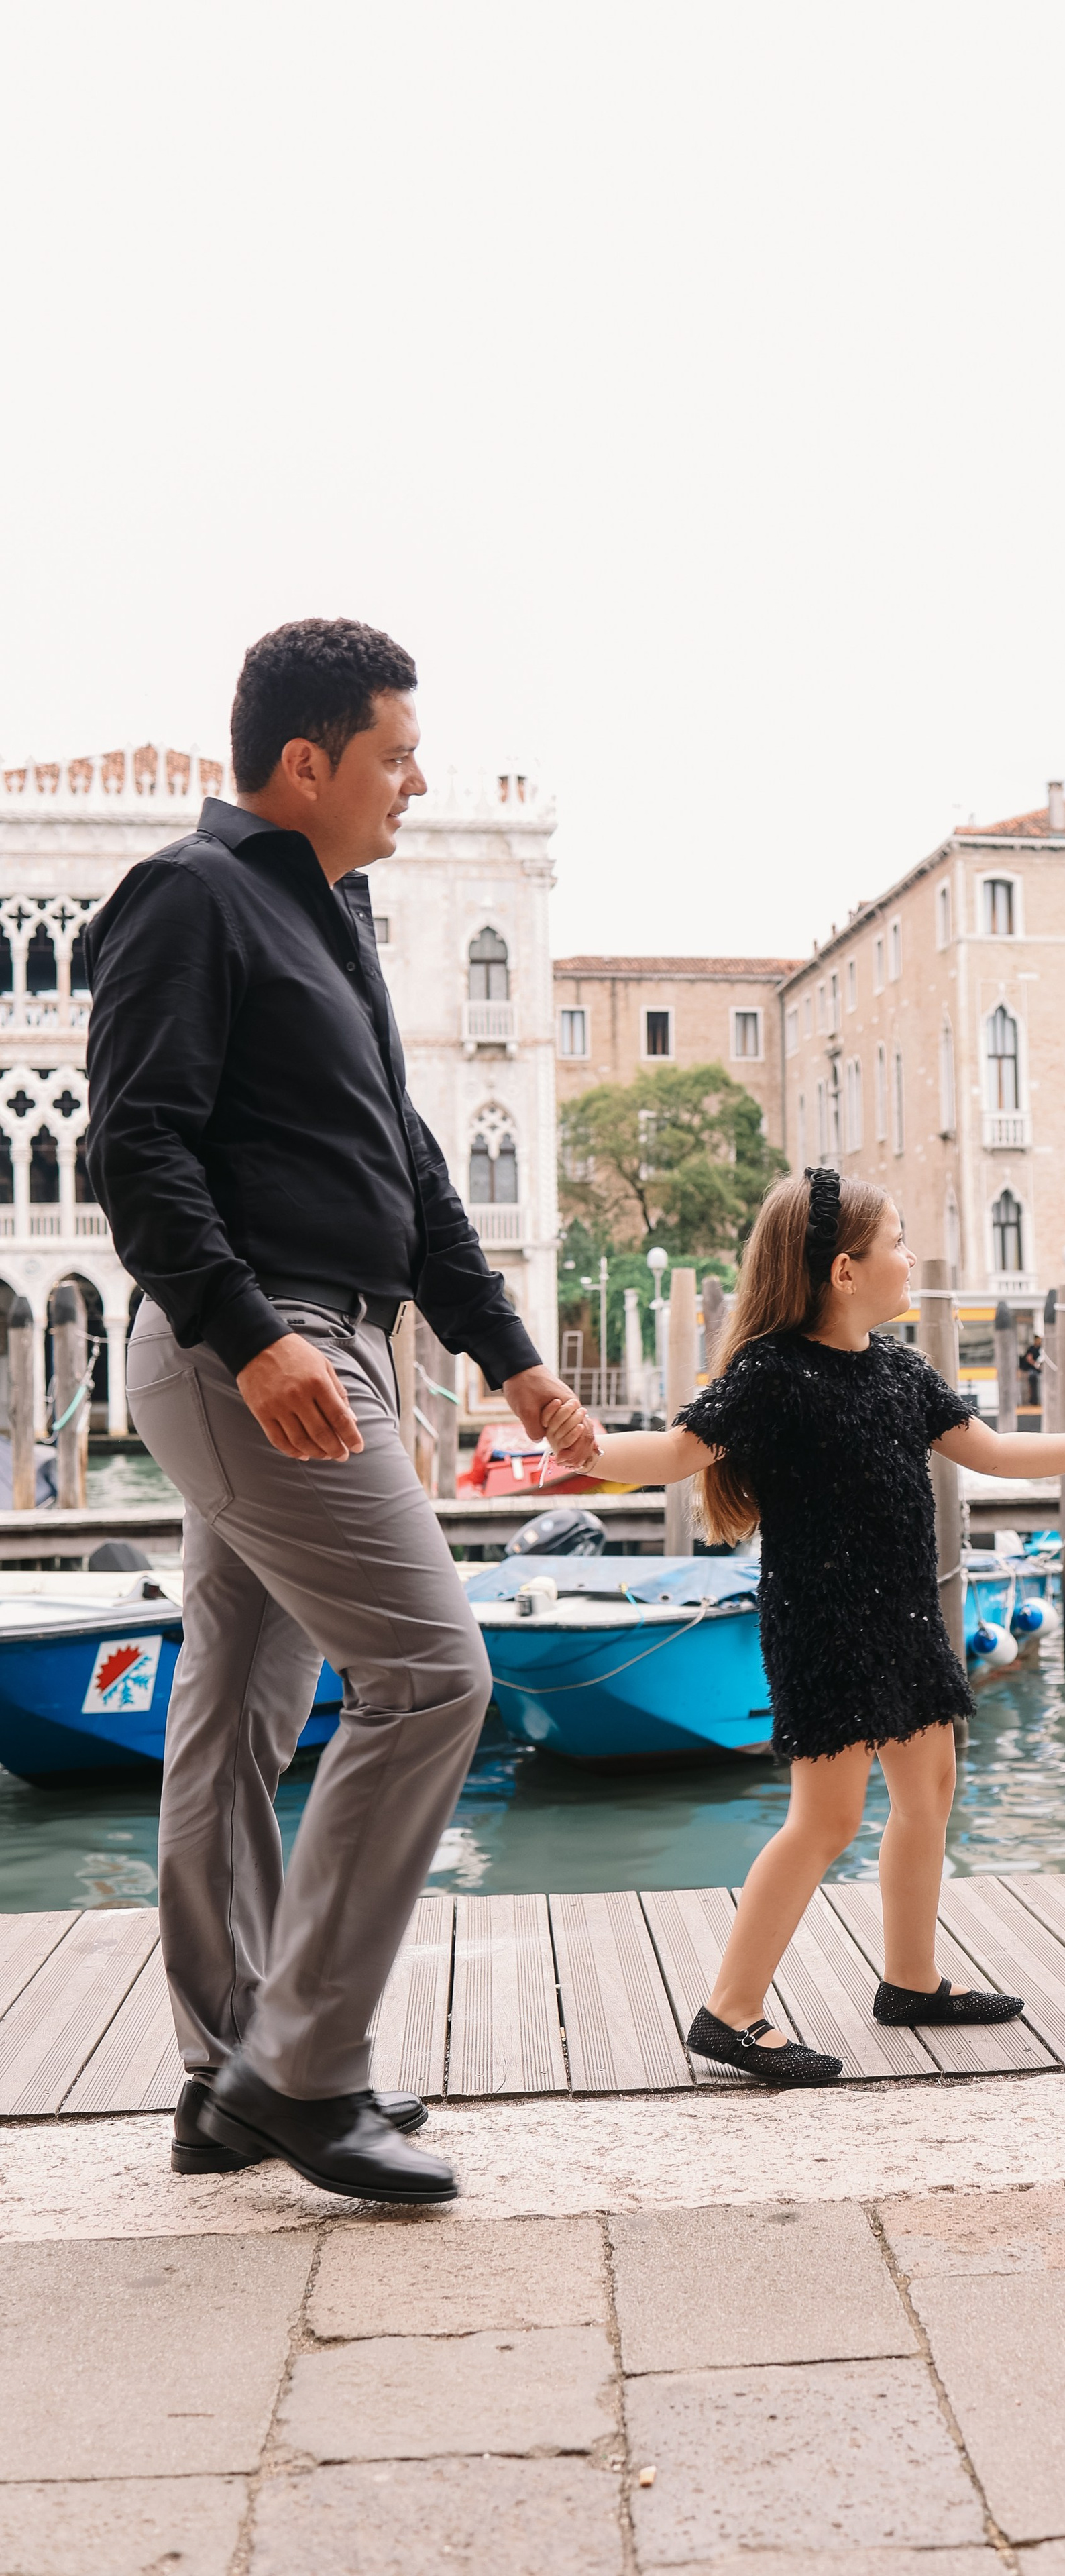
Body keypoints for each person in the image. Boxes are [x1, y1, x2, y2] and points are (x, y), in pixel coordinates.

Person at [85, 618, 585, 2202]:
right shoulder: (195, 895)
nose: (414, 783)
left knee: (233, 1718)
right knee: (435, 1677)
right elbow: (135, 1145)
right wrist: (252, 1339)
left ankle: (231, 2069)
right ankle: (306, 2064)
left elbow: (417, 1180)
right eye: (392, 754)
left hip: (334, 1340)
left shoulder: (339, 924)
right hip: (266, 1354)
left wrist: (509, 1357)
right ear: (304, 763)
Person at [543, 1169, 1065, 2082]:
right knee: (826, 1820)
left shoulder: (900, 1370)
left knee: (931, 1791)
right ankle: (730, 2010)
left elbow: (990, 1451)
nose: (911, 1258)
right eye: (899, 1244)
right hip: (823, 1625)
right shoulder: (772, 1375)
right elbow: (678, 1451)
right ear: (844, 1270)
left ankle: (911, 1981)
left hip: (907, 1620)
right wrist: (586, 1447)